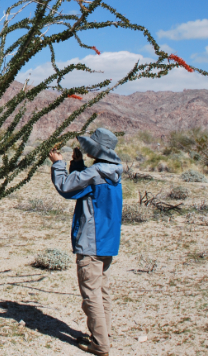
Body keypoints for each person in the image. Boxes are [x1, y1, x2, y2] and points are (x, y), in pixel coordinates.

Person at [49, 128, 123, 356]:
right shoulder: (112, 171)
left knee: (90, 294)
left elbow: (66, 187)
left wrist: (58, 164)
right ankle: (103, 335)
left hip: (91, 242)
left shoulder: (95, 173)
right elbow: (88, 190)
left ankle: (100, 345)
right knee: (101, 291)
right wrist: (79, 166)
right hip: (107, 242)